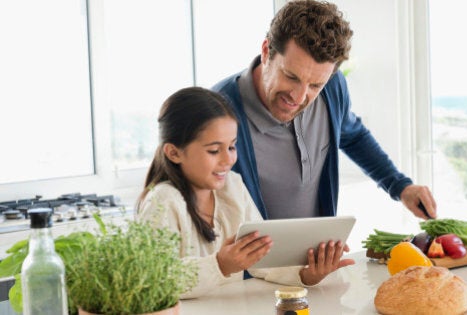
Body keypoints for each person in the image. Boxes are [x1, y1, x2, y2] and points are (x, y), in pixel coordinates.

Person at [211, 0, 436, 221]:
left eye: (315, 85)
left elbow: (353, 136)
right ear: (266, 51)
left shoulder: (333, 86)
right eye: (291, 77)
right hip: (252, 258)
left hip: (318, 255)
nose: (298, 97)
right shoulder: (218, 108)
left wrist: (400, 186)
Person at [136, 87, 353, 299]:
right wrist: (220, 265)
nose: (228, 159)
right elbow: (155, 279)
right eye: (213, 150)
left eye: (231, 147)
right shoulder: (163, 201)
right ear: (174, 152)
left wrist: (306, 274)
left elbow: (261, 260)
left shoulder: (232, 186)